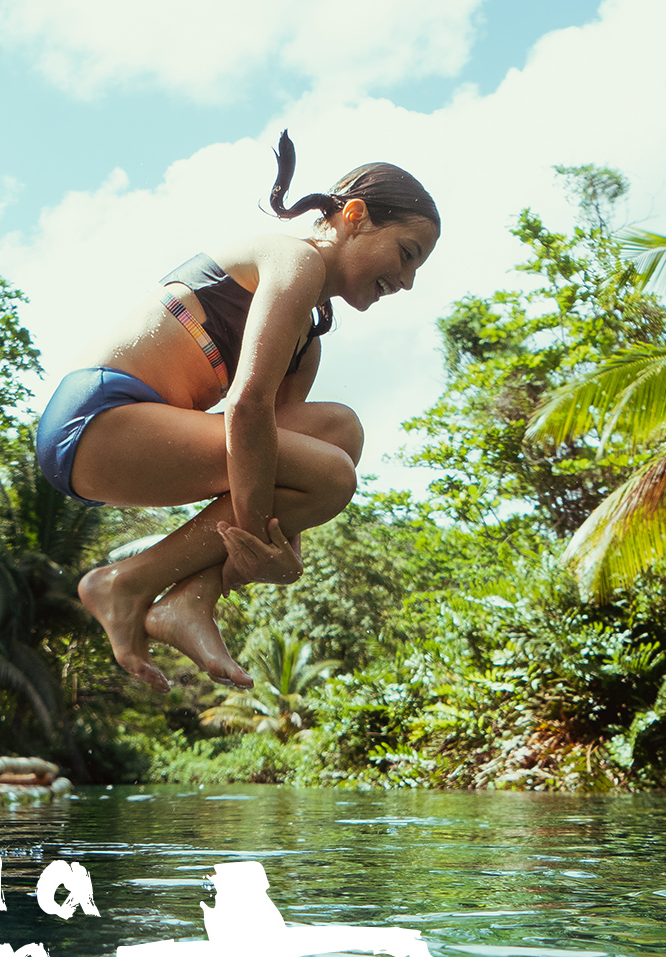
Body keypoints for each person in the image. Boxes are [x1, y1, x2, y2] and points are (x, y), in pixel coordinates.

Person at [41, 132, 440, 690]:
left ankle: (192, 596)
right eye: (406, 254)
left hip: (141, 440)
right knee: (333, 477)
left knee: (339, 432)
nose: (407, 281)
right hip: (95, 422)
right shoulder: (293, 260)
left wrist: (284, 556)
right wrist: (254, 536)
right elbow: (247, 409)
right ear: (354, 216)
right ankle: (127, 584)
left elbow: (270, 463)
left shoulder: (309, 340)